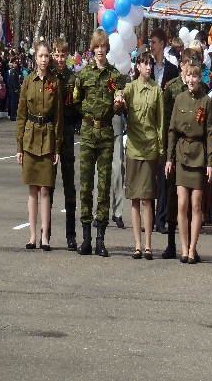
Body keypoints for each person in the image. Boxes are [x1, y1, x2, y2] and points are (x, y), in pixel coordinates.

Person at [73, 29, 124, 257]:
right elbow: (75, 99)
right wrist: (85, 113)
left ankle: (100, 239)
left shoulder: (114, 77)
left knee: (103, 186)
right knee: (85, 185)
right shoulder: (84, 75)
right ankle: (85, 238)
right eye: (97, 47)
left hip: (105, 133)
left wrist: (119, 104)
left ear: (107, 49)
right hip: (87, 133)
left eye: (103, 47)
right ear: (92, 49)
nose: (100, 51)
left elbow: (117, 104)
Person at [115, 45, 164, 259]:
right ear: (137, 66)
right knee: (135, 198)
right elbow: (119, 97)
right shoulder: (131, 87)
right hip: (134, 148)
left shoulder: (157, 90)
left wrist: (161, 149)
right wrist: (118, 99)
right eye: (144, 63)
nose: (148, 66)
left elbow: (160, 122)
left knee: (148, 198)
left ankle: (149, 244)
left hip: (150, 148)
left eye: (150, 63)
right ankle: (137, 244)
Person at [166, 54, 212, 264]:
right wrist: (169, 158)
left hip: (198, 155)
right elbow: (172, 131)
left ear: (200, 78)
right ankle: (183, 248)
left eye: (196, 76)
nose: (192, 80)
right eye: (189, 76)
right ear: (185, 77)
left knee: (196, 205)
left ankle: (193, 248)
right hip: (181, 153)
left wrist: (210, 163)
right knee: (182, 204)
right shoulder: (179, 99)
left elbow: (211, 133)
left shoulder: (206, 101)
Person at [16, 41, 63, 251]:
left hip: (48, 138)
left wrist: (58, 148)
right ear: (35, 58)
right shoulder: (28, 82)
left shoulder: (55, 82)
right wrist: (19, 147)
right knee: (32, 189)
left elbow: (59, 117)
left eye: (46, 56)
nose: (44, 60)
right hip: (30, 138)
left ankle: (45, 236)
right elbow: (21, 115)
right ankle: (32, 236)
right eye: (40, 56)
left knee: (46, 189)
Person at [161, 48, 200, 259]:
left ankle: (192, 246)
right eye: (186, 63)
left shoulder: (200, 90)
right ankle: (170, 243)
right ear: (181, 64)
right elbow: (168, 122)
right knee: (173, 198)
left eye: (192, 63)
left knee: (193, 203)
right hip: (176, 149)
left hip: (194, 152)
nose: (188, 67)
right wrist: (169, 153)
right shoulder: (172, 88)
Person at [51, 37, 79, 251]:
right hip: (50, 136)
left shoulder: (73, 79)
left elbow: (77, 105)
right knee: (47, 187)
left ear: (67, 56)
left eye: (63, 55)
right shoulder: (49, 78)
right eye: (57, 55)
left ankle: (71, 234)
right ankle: (46, 233)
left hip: (68, 135)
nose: (60, 59)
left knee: (69, 187)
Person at [150, 27, 179, 234]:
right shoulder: (146, 67)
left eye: (154, 42)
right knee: (149, 176)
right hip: (148, 126)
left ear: (162, 45)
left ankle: (161, 218)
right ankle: (148, 217)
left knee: (162, 176)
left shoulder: (171, 70)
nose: (151, 46)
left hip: (164, 125)